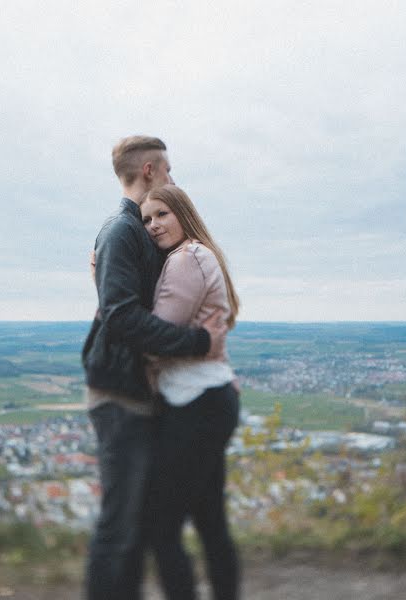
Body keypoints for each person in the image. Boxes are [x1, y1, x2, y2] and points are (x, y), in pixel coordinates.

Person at [82, 136, 228, 600]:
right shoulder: (121, 231)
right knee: (120, 526)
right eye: (168, 169)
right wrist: (197, 342)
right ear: (149, 170)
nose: (172, 178)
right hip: (120, 393)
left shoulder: (140, 233)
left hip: (141, 395)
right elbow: (122, 317)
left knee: (138, 528)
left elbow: (148, 300)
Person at [139, 184, 241, 600]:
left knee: (161, 528)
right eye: (146, 219)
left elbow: (153, 338)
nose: (153, 225)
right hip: (207, 399)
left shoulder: (188, 258)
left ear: (183, 213)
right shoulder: (194, 256)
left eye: (162, 214)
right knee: (209, 521)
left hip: (195, 404)